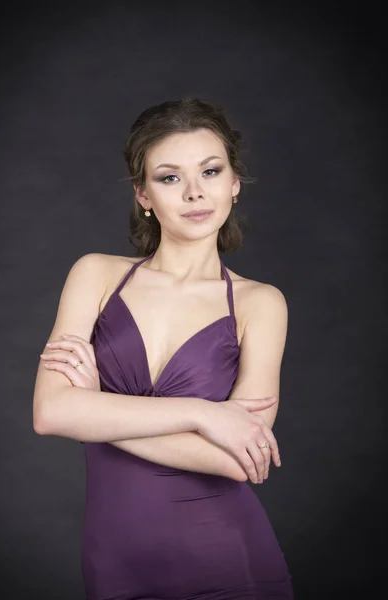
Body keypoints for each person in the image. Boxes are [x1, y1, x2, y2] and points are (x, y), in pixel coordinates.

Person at [33, 97, 294, 599]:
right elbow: (50, 412)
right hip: (116, 564)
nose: (196, 193)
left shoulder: (261, 304)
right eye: (170, 177)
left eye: (211, 171)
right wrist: (203, 414)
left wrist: (96, 412)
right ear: (143, 194)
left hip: (229, 560)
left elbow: (243, 462)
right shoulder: (96, 274)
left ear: (234, 184)